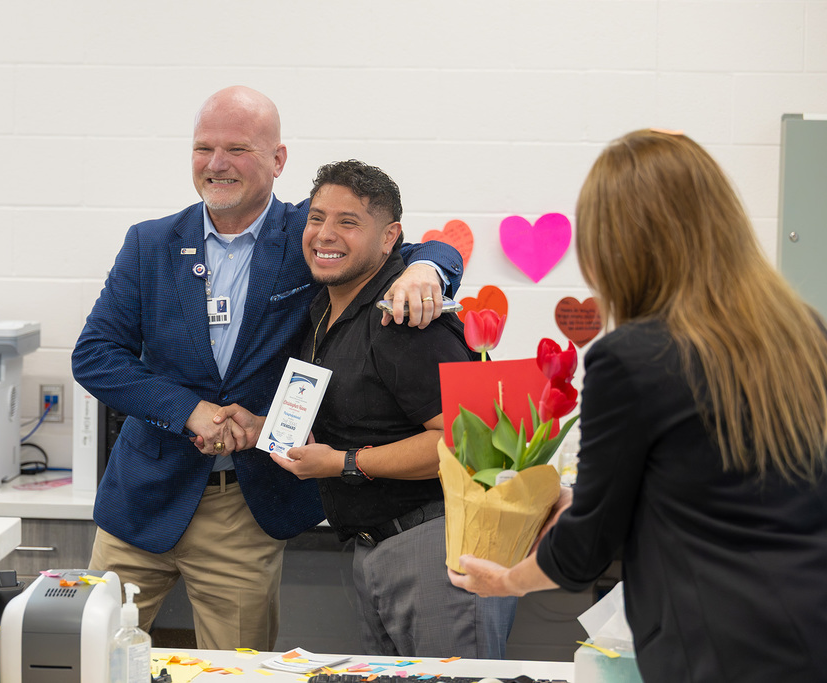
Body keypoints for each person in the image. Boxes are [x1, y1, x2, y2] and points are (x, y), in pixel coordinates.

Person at [71, 86, 464, 651]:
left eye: (237, 148)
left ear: (278, 161)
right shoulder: (151, 243)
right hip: (140, 498)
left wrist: (429, 268)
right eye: (204, 147)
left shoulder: (312, 235)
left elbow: (417, 243)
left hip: (243, 503)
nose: (216, 163)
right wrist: (188, 412)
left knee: (236, 668)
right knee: (92, 654)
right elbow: (95, 356)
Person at [448, 129, 827, 681]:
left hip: (716, 648)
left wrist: (505, 582)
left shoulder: (632, 356)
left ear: (621, 246)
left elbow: (583, 551)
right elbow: (734, 484)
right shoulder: (804, 333)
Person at [220, 160, 517, 658]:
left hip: (437, 544)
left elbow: (463, 442)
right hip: (376, 548)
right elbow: (357, 413)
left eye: (348, 222)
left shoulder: (405, 317)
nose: (324, 234)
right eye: (316, 218)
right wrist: (264, 429)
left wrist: (342, 463)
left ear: (390, 237)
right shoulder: (324, 308)